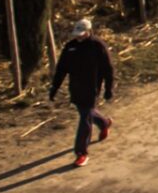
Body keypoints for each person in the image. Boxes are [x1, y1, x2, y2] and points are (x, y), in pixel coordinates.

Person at [49, 18, 115, 166]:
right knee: (86, 112)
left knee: (85, 117)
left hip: (92, 87)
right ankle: (104, 123)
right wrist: (54, 88)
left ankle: (81, 152)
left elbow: (108, 69)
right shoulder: (70, 47)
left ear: (89, 31)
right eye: (77, 34)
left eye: (82, 34)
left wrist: (109, 88)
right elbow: (61, 69)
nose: (78, 37)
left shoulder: (97, 46)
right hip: (76, 87)